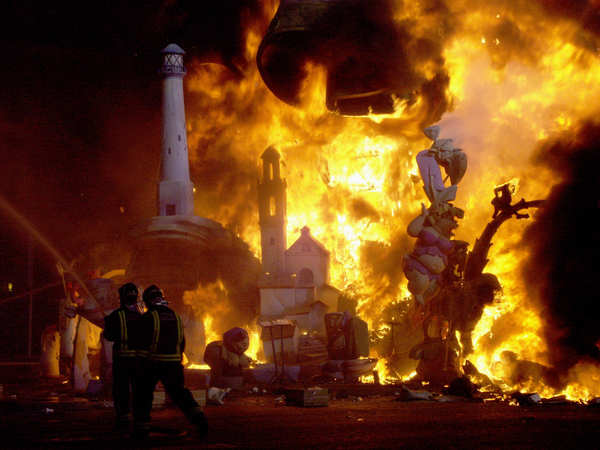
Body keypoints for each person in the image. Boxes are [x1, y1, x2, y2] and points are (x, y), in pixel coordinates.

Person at [134, 285, 208, 438]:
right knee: (180, 394)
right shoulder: (175, 315)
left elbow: (142, 343)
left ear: (148, 301)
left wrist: (140, 363)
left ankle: (142, 427)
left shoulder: (149, 317)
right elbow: (182, 340)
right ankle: (200, 420)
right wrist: (178, 358)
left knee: (144, 394)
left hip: (153, 363)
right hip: (174, 364)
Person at [103, 282, 144, 431]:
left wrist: (107, 325)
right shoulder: (143, 316)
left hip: (122, 360)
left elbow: (108, 336)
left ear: (121, 298)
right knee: (139, 388)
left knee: (121, 388)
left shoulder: (115, 316)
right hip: (139, 360)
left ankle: (123, 416)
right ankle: (140, 417)